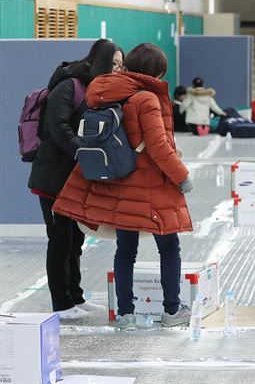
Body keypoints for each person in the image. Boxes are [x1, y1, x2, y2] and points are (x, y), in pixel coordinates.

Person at [53, 43, 194, 330]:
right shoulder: (146, 99)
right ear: (156, 71)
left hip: (120, 182)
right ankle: (172, 309)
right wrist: (181, 176)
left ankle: (125, 315)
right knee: (169, 246)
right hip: (151, 186)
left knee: (125, 250)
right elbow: (159, 147)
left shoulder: (108, 92)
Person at [27, 39, 124, 320]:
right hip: (53, 177)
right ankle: (61, 302)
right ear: (102, 61)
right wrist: (83, 151)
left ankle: (75, 296)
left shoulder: (99, 90)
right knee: (59, 239)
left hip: (76, 176)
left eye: (121, 65)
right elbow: (56, 127)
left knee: (75, 237)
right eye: (114, 64)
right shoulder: (69, 86)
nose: (118, 69)